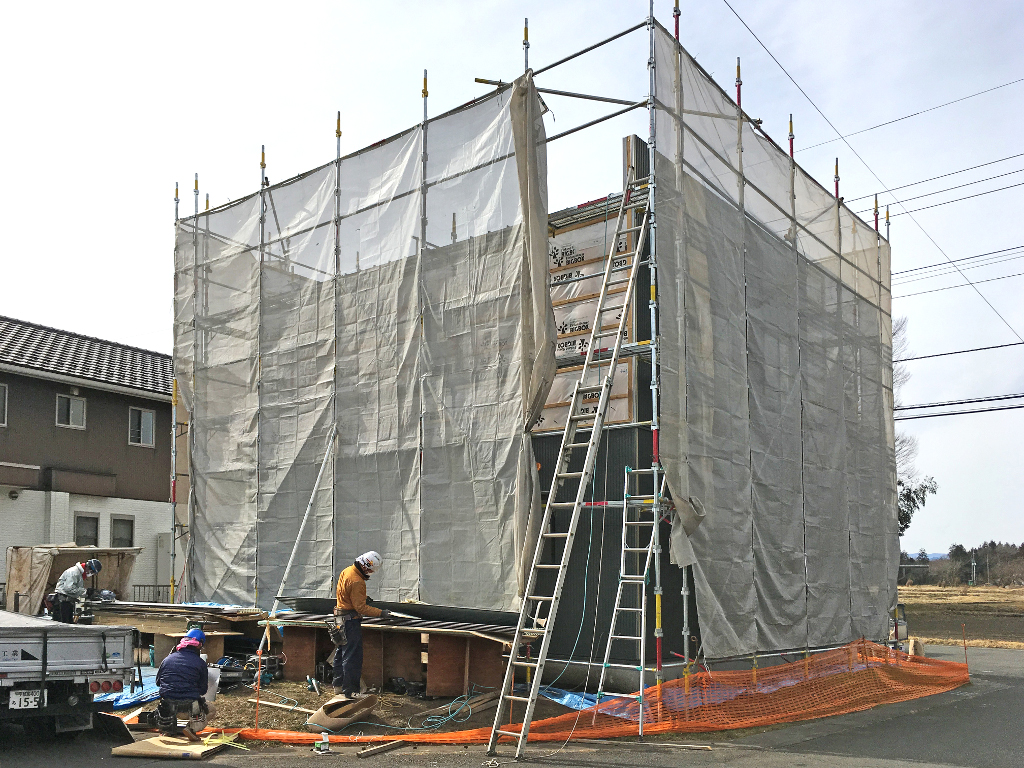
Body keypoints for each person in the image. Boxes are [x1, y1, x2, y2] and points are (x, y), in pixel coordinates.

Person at [332, 551, 392, 698]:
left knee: (340, 653)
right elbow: (361, 608)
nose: (370, 573)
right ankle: (351, 691)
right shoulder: (357, 581)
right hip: (350, 622)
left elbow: (345, 594)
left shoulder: (347, 571)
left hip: (339, 618)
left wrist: (361, 598)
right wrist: (380, 613)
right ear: (366, 567)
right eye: (371, 570)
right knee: (352, 657)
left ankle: (338, 686)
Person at [155, 628, 214, 737]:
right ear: (199, 644)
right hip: (189, 708)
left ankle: (167, 730)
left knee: (167, 703)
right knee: (211, 710)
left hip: (168, 708)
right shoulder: (200, 663)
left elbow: (158, 683)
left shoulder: (167, 660)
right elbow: (203, 690)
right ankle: (191, 729)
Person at [53, 558, 102, 623]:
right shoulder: (74, 572)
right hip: (62, 602)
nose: (91, 574)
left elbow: (74, 588)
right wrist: (85, 592)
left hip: (67, 601)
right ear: (89, 568)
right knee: (63, 627)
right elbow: (68, 588)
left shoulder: (79, 574)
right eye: (92, 572)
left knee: (68, 624)